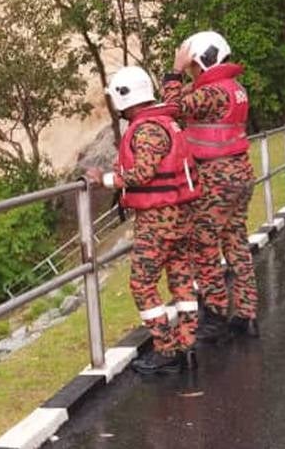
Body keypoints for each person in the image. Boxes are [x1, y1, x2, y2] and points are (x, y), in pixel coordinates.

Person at [85, 66, 202, 374]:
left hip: (158, 219)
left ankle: (166, 349)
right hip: (181, 215)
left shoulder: (148, 128)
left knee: (141, 284)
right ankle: (188, 345)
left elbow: (143, 173)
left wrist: (105, 179)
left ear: (126, 97)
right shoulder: (166, 122)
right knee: (181, 280)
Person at [164, 31, 260, 341]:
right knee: (235, 242)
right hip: (240, 173)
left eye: (193, 65)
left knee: (203, 244)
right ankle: (246, 314)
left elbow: (174, 108)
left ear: (204, 60)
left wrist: (174, 72)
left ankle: (216, 313)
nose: (191, 71)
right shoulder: (235, 88)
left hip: (217, 178)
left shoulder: (213, 92)